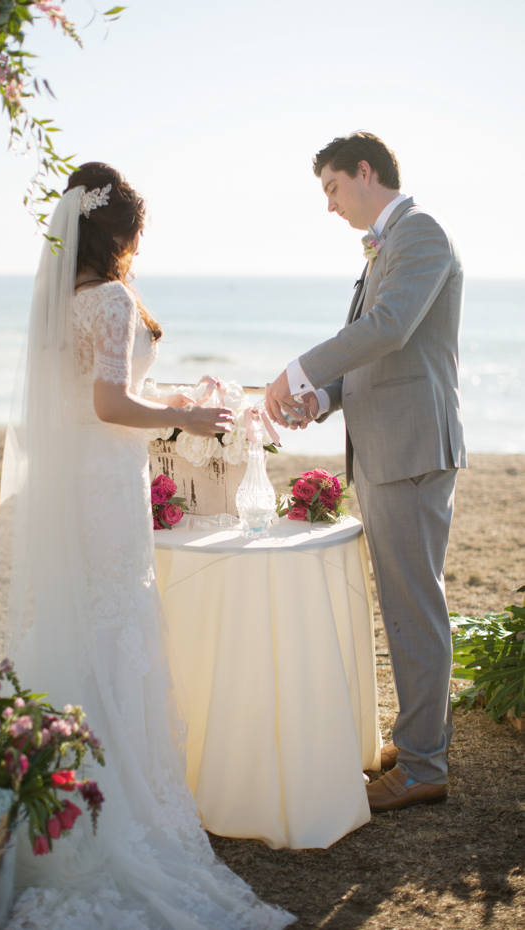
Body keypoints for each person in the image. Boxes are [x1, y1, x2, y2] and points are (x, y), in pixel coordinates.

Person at [0, 162, 294, 929]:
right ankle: (119, 794)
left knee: (79, 619)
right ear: (121, 231)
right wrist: (183, 420)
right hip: (105, 482)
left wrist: (165, 403)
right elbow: (109, 401)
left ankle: (56, 779)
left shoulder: (56, 303)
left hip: (75, 480)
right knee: (117, 617)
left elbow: (82, 398)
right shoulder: (116, 298)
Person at [266, 132, 466, 812]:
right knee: (404, 605)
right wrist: (320, 399)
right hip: (385, 449)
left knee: (415, 606)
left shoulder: (422, 233)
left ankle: (422, 768)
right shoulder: (384, 246)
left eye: (331, 187)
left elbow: (389, 327)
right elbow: (373, 359)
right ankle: (418, 743)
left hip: (411, 449)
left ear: (364, 171)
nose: (329, 205)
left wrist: (298, 370)